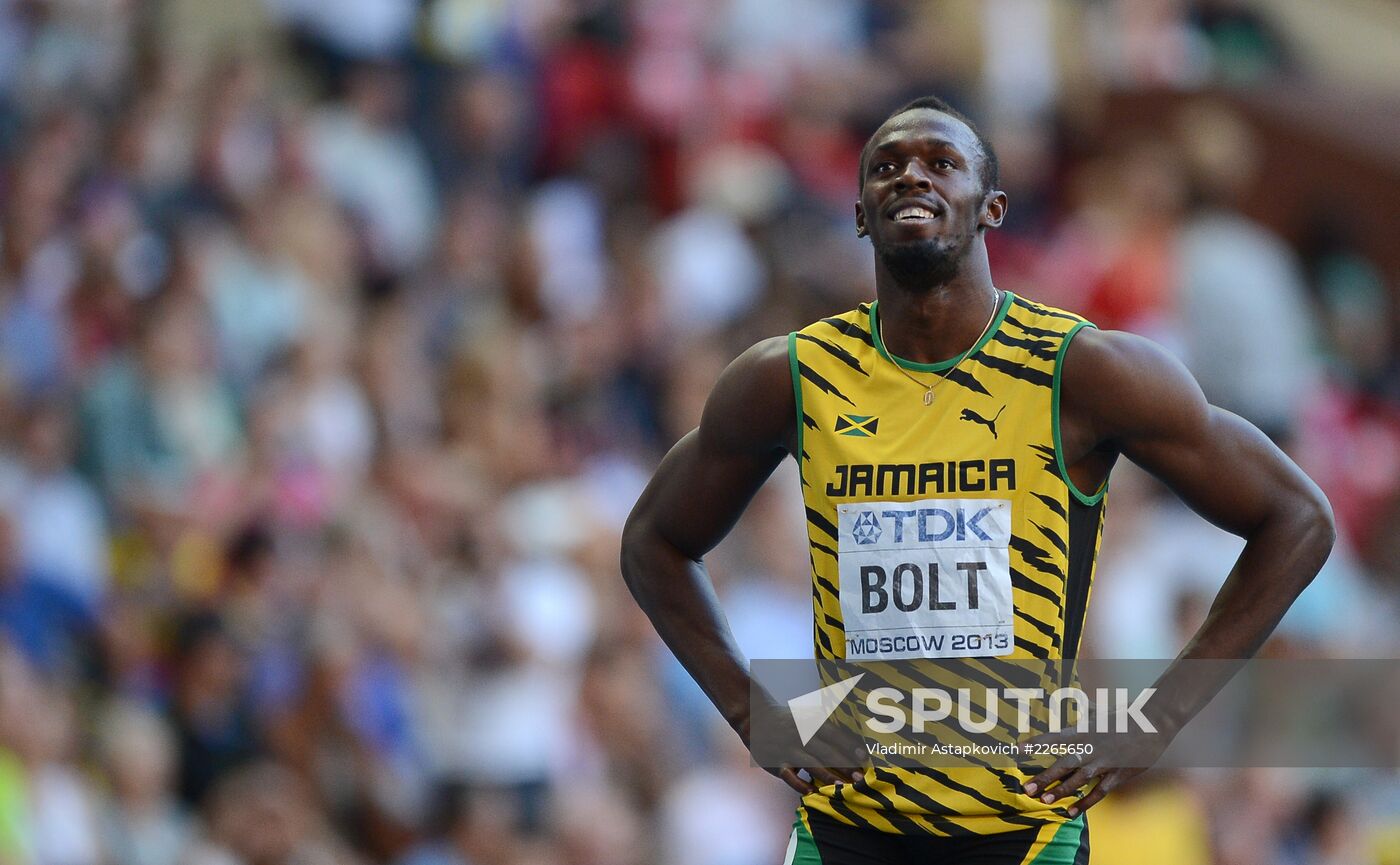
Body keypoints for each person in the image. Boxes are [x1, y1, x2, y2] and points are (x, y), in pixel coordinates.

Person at [620, 96, 1335, 864]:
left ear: (991, 206)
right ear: (860, 213)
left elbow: (1297, 517)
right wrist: (749, 708)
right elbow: (654, 541)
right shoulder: (792, 377)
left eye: (940, 163)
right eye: (886, 168)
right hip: (846, 827)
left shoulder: (1081, 371)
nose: (910, 178)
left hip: (1025, 828)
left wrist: (1155, 718)